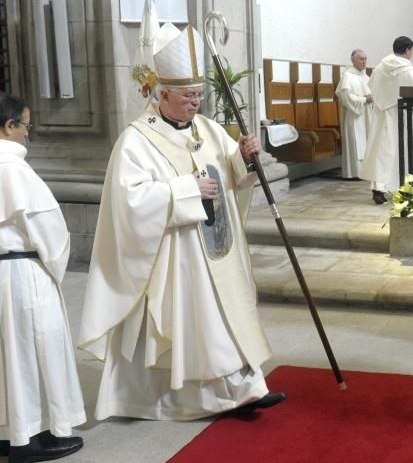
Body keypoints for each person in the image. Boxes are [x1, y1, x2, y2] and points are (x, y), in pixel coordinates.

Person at [79, 23, 286, 420]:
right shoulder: (136, 140)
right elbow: (131, 202)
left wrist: (244, 156)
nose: (196, 104)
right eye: (189, 97)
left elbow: (232, 175)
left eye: (199, 96)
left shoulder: (207, 129)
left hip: (215, 249)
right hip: (175, 256)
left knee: (221, 320)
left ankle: (242, 389)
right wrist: (185, 191)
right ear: (163, 95)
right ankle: (188, 398)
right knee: (192, 326)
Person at [0, 93, 86, 463]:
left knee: (5, 357)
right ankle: (29, 441)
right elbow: (48, 228)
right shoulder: (13, 170)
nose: (27, 135)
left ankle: (8, 433)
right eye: (26, 126)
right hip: (20, 273)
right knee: (33, 349)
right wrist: (53, 265)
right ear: (9, 126)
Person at [360, 36, 413, 204]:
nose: (411, 54)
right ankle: (405, 189)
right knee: (402, 151)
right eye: (411, 51)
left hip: (382, 116)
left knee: (381, 153)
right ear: (407, 50)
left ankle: (378, 190)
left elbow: (372, 89)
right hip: (402, 116)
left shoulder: (379, 68)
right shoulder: (409, 71)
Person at [336, 49, 373, 180]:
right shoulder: (347, 76)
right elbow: (345, 96)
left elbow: (372, 94)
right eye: (361, 59)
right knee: (356, 144)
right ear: (353, 60)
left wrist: (371, 97)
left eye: (365, 59)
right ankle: (354, 173)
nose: (364, 61)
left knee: (367, 141)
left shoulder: (366, 77)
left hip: (367, 115)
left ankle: (366, 172)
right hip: (354, 116)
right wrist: (364, 100)